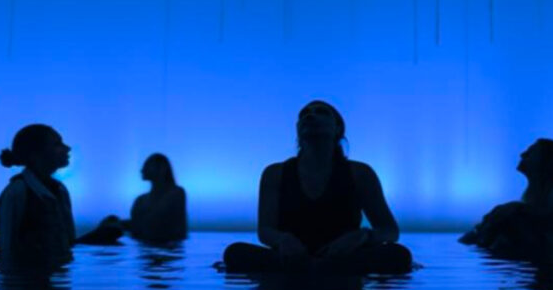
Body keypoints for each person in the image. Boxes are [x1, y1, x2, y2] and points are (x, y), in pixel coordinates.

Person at [223, 100, 412, 275]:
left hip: (343, 257)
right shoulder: (275, 173)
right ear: (298, 130)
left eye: (321, 112)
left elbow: (390, 231)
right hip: (291, 257)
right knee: (234, 252)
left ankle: (317, 269)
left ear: (337, 128)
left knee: (399, 254)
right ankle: (316, 269)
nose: (310, 115)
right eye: (304, 114)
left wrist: (361, 237)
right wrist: (283, 240)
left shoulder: (360, 173)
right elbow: (265, 231)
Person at [0, 124, 123, 266]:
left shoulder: (60, 190)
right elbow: (7, 248)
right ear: (35, 154)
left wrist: (100, 234)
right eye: (57, 144)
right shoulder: (17, 192)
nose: (67, 148)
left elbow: (67, 244)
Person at [460, 138, 553, 260]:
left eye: (531, 152)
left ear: (547, 161)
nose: (522, 154)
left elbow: (550, 228)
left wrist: (514, 210)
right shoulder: (535, 196)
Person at [126, 153, 187, 243]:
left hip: (167, 247)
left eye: (147, 165)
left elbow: (158, 222)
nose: (142, 170)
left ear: (162, 168)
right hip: (144, 247)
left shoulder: (176, 193)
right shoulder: (139, 200)